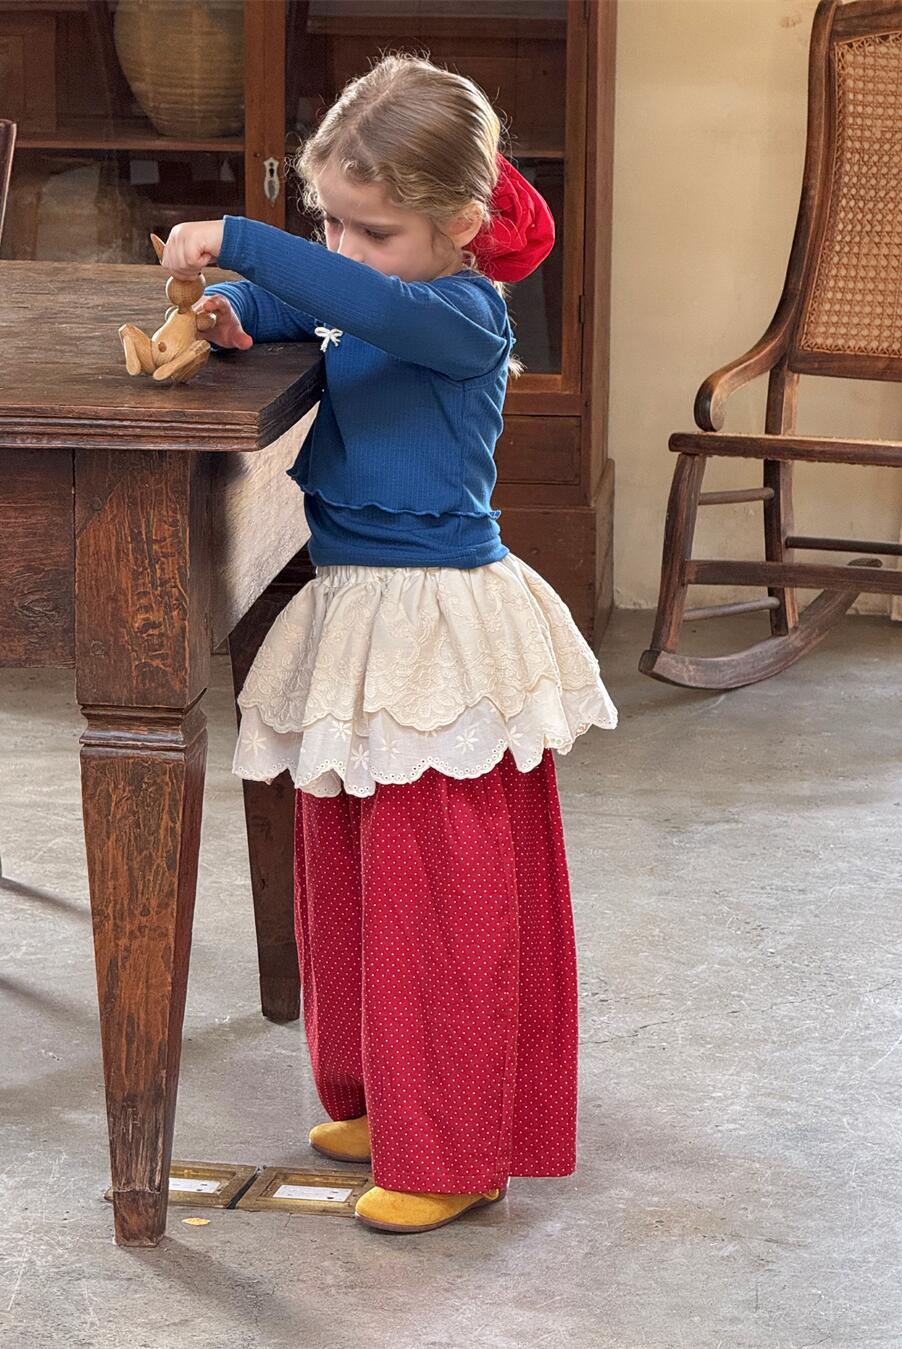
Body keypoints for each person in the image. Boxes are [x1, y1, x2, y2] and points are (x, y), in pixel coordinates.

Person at [161, 52, 618, 1236]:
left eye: (373, 229)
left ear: (460, 226)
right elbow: (315, 303)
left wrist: (244, 238)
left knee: (436, 895)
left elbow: (364, 306)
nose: (347, 250)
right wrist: (236, 309)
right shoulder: (381, 277)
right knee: (359, 878)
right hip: (360, 606)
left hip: (432, 626)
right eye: (331, 224)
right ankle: (391, 1098)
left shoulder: (462, 313)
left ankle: (456, 1145)